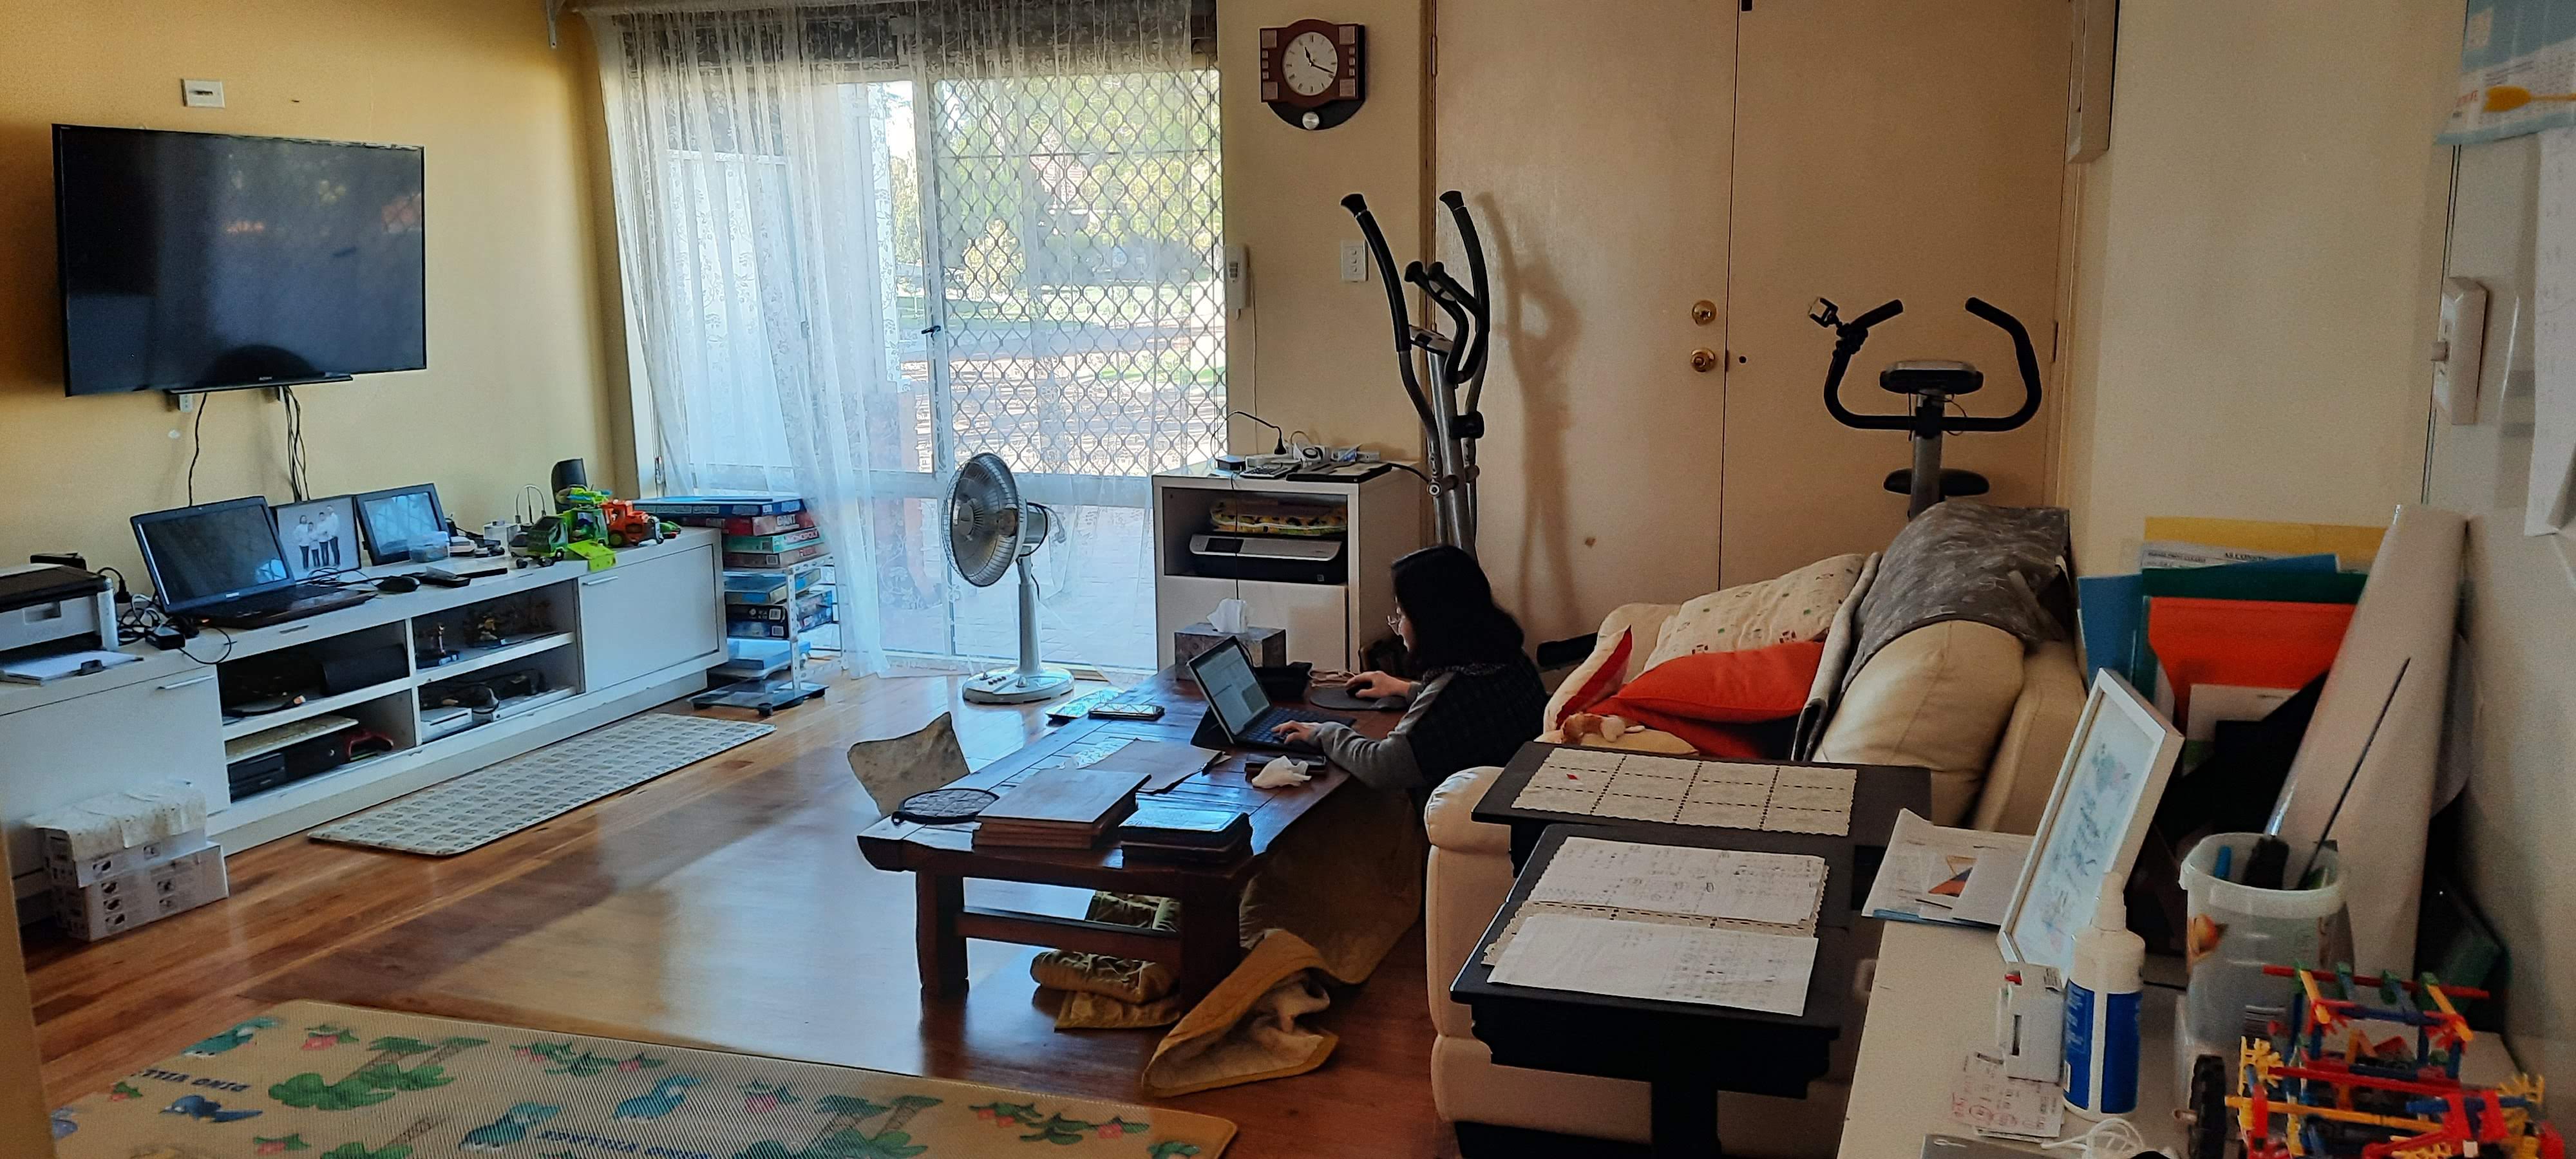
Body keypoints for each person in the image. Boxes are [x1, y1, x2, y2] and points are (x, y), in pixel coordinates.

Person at [1273, 545, 1548, 794]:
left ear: (1432, 622)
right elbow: (1474, 706)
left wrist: (1326, 733)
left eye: (1402, 614)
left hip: (1474, 809)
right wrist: (1405, 689)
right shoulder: (1508, 658)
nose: (1399, 626)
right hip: (1518, 789)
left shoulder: (1451, 695)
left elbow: (1382, 766)